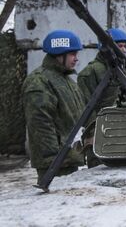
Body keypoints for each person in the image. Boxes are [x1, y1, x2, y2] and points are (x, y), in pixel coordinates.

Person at [22, 30, 85, 183]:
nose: (76, 59)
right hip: (55, 164)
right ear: (59, 53)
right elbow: (41, 124)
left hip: (69, 158)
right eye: (73, 54)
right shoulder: (39, 81)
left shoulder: (67, 81)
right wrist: (54, 159)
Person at [77, 28, 126, 167]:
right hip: (99, 136)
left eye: (125, 46)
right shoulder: (90, 72)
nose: (124, 50)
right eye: (119, 46)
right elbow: (86, 109)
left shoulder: (123, 71)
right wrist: (96, 135)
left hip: (122, 132)